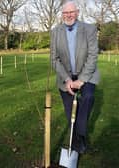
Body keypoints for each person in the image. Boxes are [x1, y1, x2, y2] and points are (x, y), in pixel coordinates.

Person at [50, 0, 100, 154]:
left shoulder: (89, 29)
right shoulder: (55, 32)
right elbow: (54, 58)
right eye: (65, 13)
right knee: (69, 110)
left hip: (87, 74)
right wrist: (67, 80)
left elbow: (92, 56)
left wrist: (81, 80)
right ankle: (78, 142)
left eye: (71, 12)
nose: (68, 15)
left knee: (87, 98)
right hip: (65, 76)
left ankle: (81, 134)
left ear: (77, 12)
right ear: (62, 14)